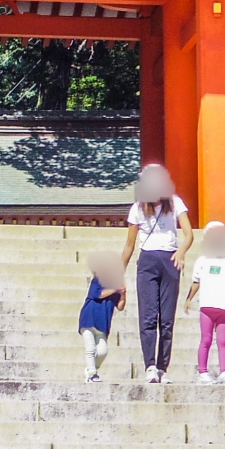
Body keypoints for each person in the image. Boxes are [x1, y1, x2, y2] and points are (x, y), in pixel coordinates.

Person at [120, 162, 192, 384]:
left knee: (167, 319)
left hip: (170, 259)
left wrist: (181, 252)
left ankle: (163, 367)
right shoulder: (138, 208)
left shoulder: (175, 203)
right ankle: (150, 365)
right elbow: (130, 245)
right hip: (148, 261)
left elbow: (189, 234)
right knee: (148, 316)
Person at [184, 221, 225, 384]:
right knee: (205, 339)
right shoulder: (202, 260)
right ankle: (203, 372)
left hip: (224, 306)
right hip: (207, 306)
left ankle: (224, 372)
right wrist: (189, 298)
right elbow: (196, 281)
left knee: (222, 341)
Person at [78, 250, 127, 382]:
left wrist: (122, 294)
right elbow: (98, 295)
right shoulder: (97, 281)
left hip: (103, 323)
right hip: (88, 319)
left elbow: (121, 306)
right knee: (90, 347)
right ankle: (92, 373)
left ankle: (91, 369)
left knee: (102, 351)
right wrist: (115, 289)